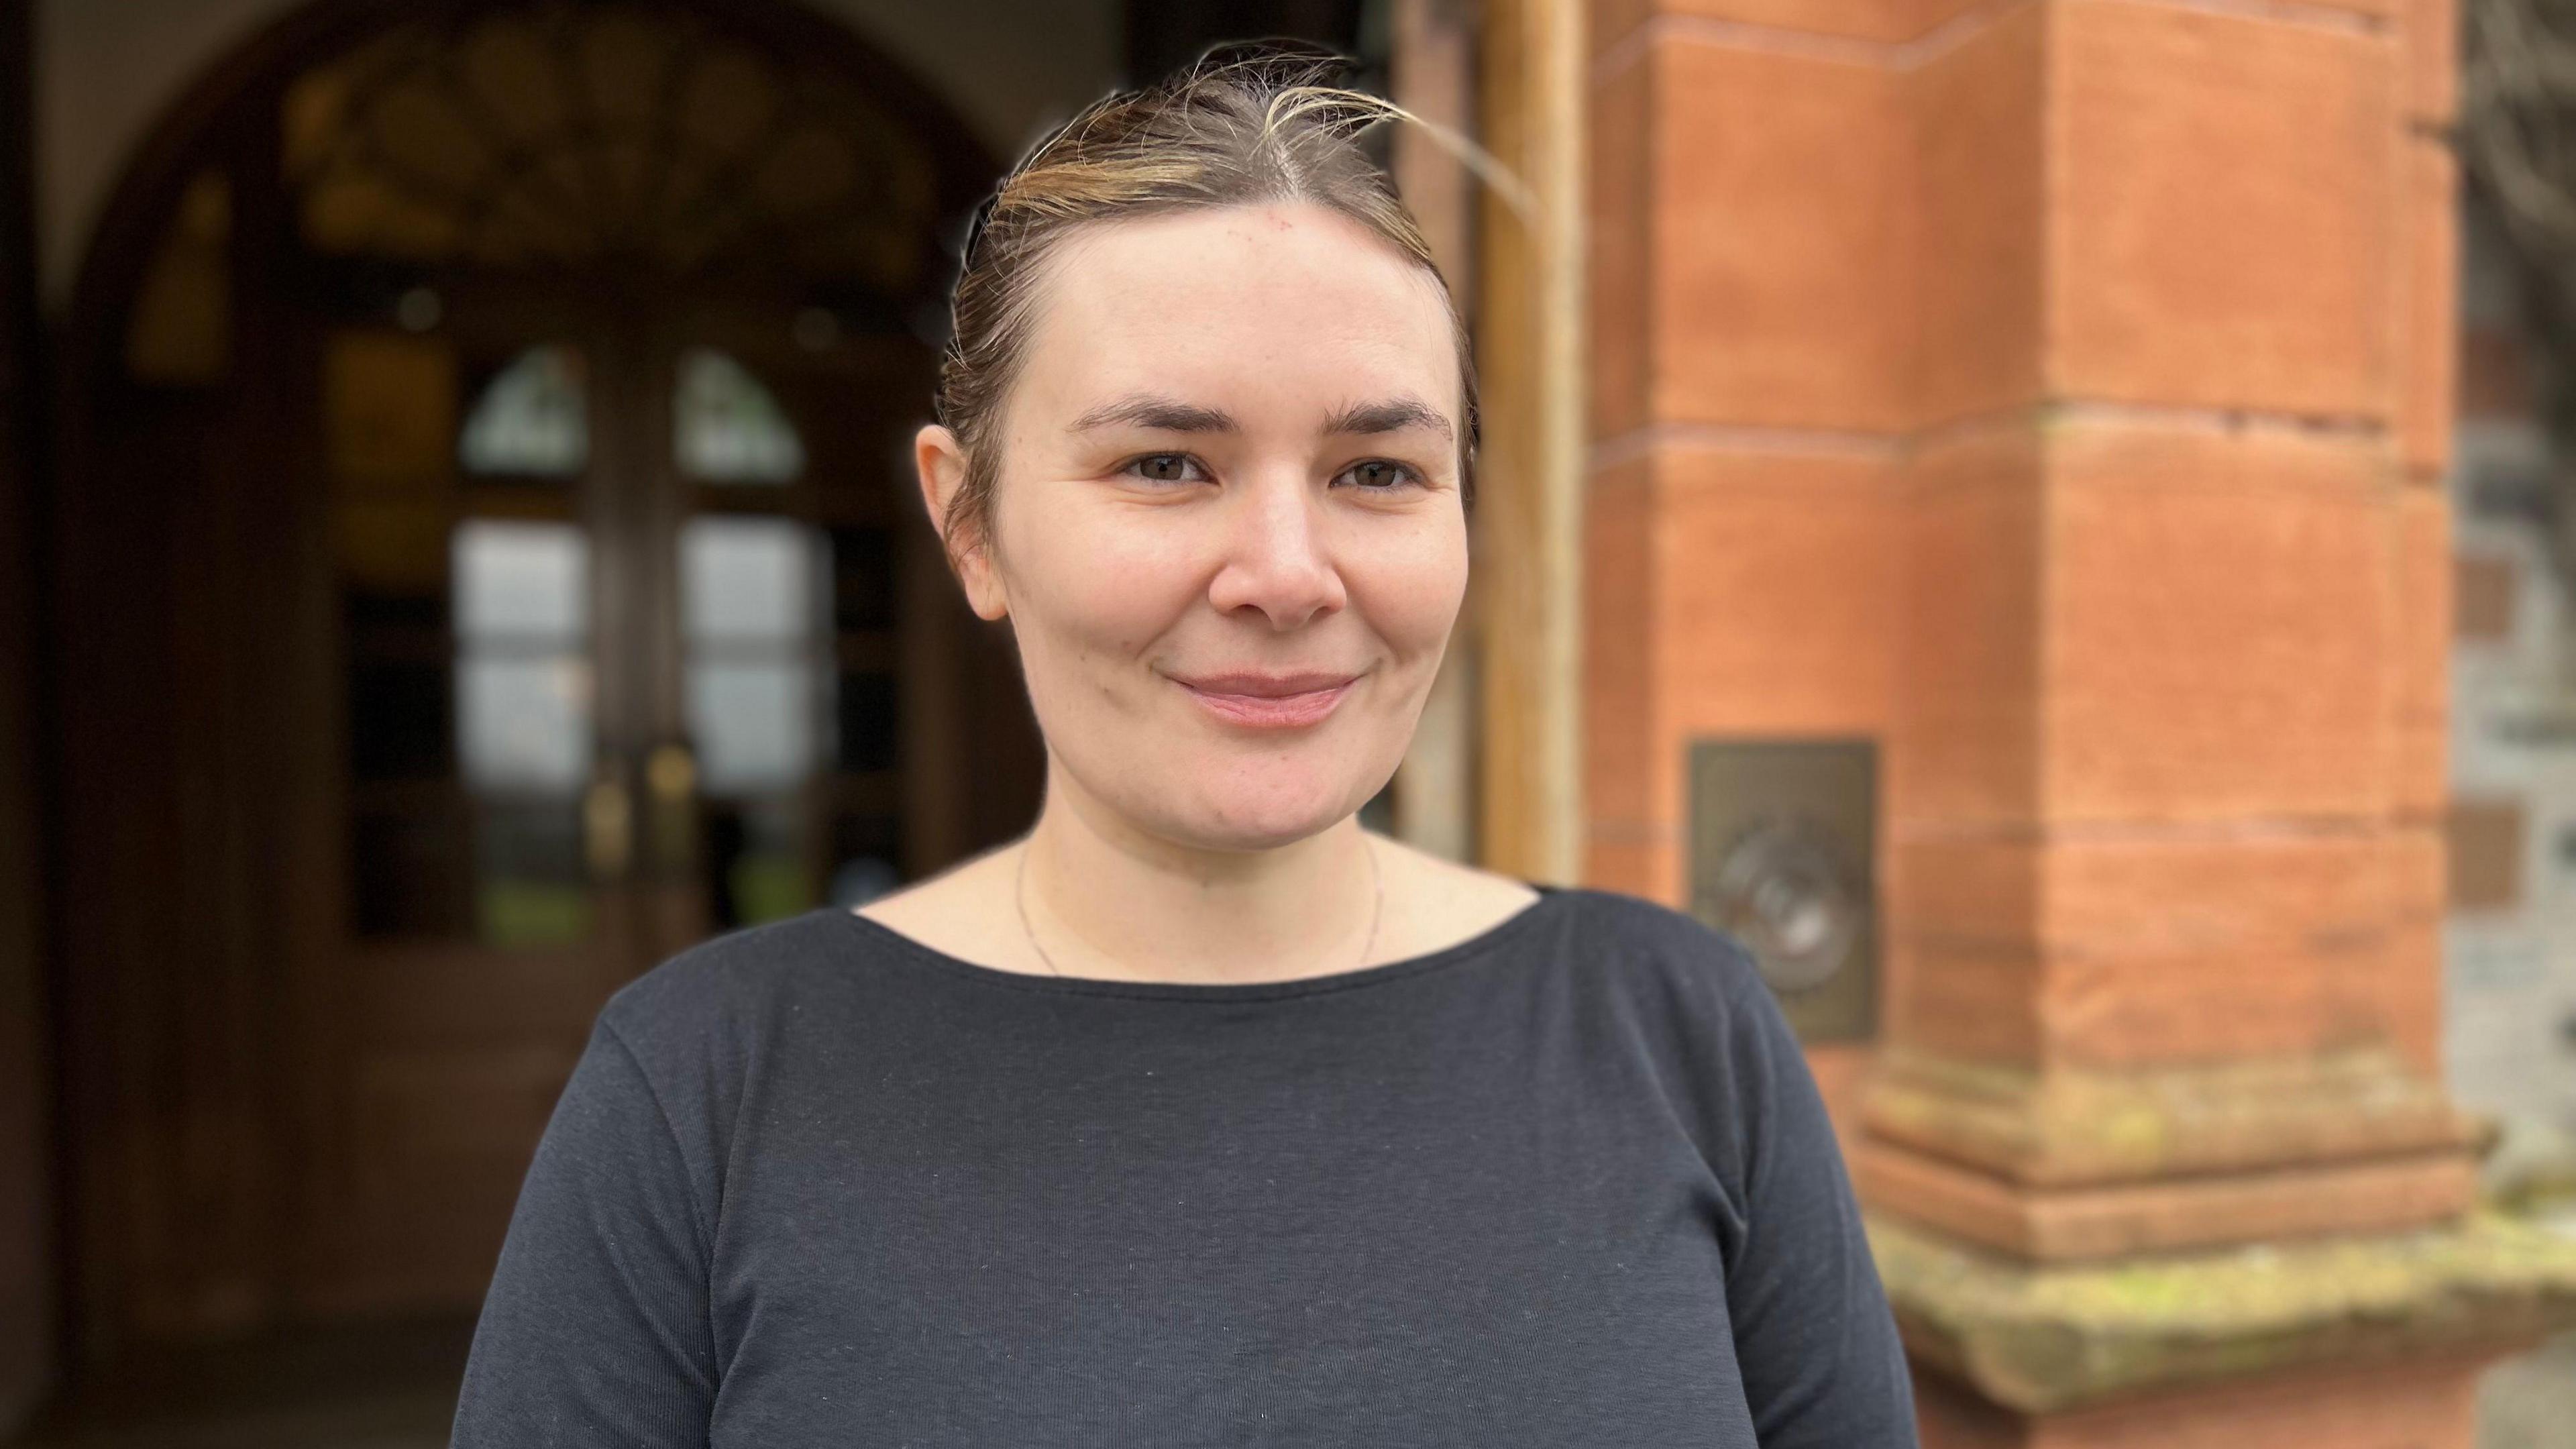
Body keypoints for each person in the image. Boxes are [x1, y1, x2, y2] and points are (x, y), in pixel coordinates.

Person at [450, 47, 1918, 1449]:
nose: (1286, 573)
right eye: (1165, 465)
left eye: (1377, 472)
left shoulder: (1682, 1034)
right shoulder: (704, 1091)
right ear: (969, 519)